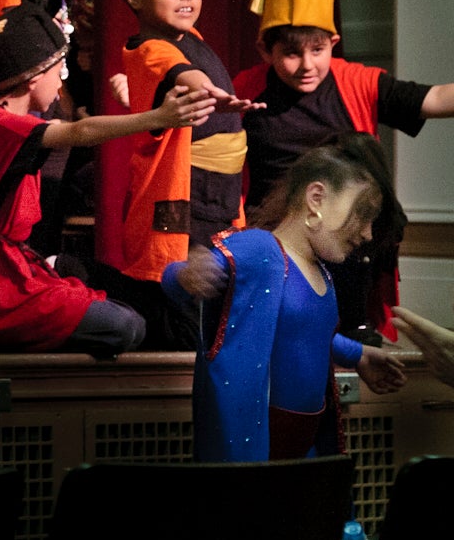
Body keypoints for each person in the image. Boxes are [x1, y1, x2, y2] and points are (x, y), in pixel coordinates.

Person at [0, 3, 214, 356]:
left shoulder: (2, 124)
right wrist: (158, 116)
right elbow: (80, 132)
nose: (62, 80)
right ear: (34, 77)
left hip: (6, 269)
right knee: (125, 326)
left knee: (138, 315)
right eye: (59, 70)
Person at [162, 133, 406, 461]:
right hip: (254, 458)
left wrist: (357, 354)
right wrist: (185, 274)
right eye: (363, 215)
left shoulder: (322, 273)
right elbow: (176, 278)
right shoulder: (261, 249)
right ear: (316, 198)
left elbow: (303, 334)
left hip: (301, 456)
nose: (367, 234)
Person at [233, 0, 453, 338]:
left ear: (333, 43)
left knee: (360, 206)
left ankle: (354, 324)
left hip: (345, 227)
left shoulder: (356, 82)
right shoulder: (245, 90)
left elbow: (434, 99)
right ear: (265, 50)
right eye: (291, 53)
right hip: (274, 226)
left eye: (317, 50)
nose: (307, 65)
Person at [112, 0, 261, 349]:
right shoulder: (149, 47)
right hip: (184, 194)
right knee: (180, 305)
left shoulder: (183, 28)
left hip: (218, 191)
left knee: (217, 300)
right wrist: (214, 93)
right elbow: (185, 75)